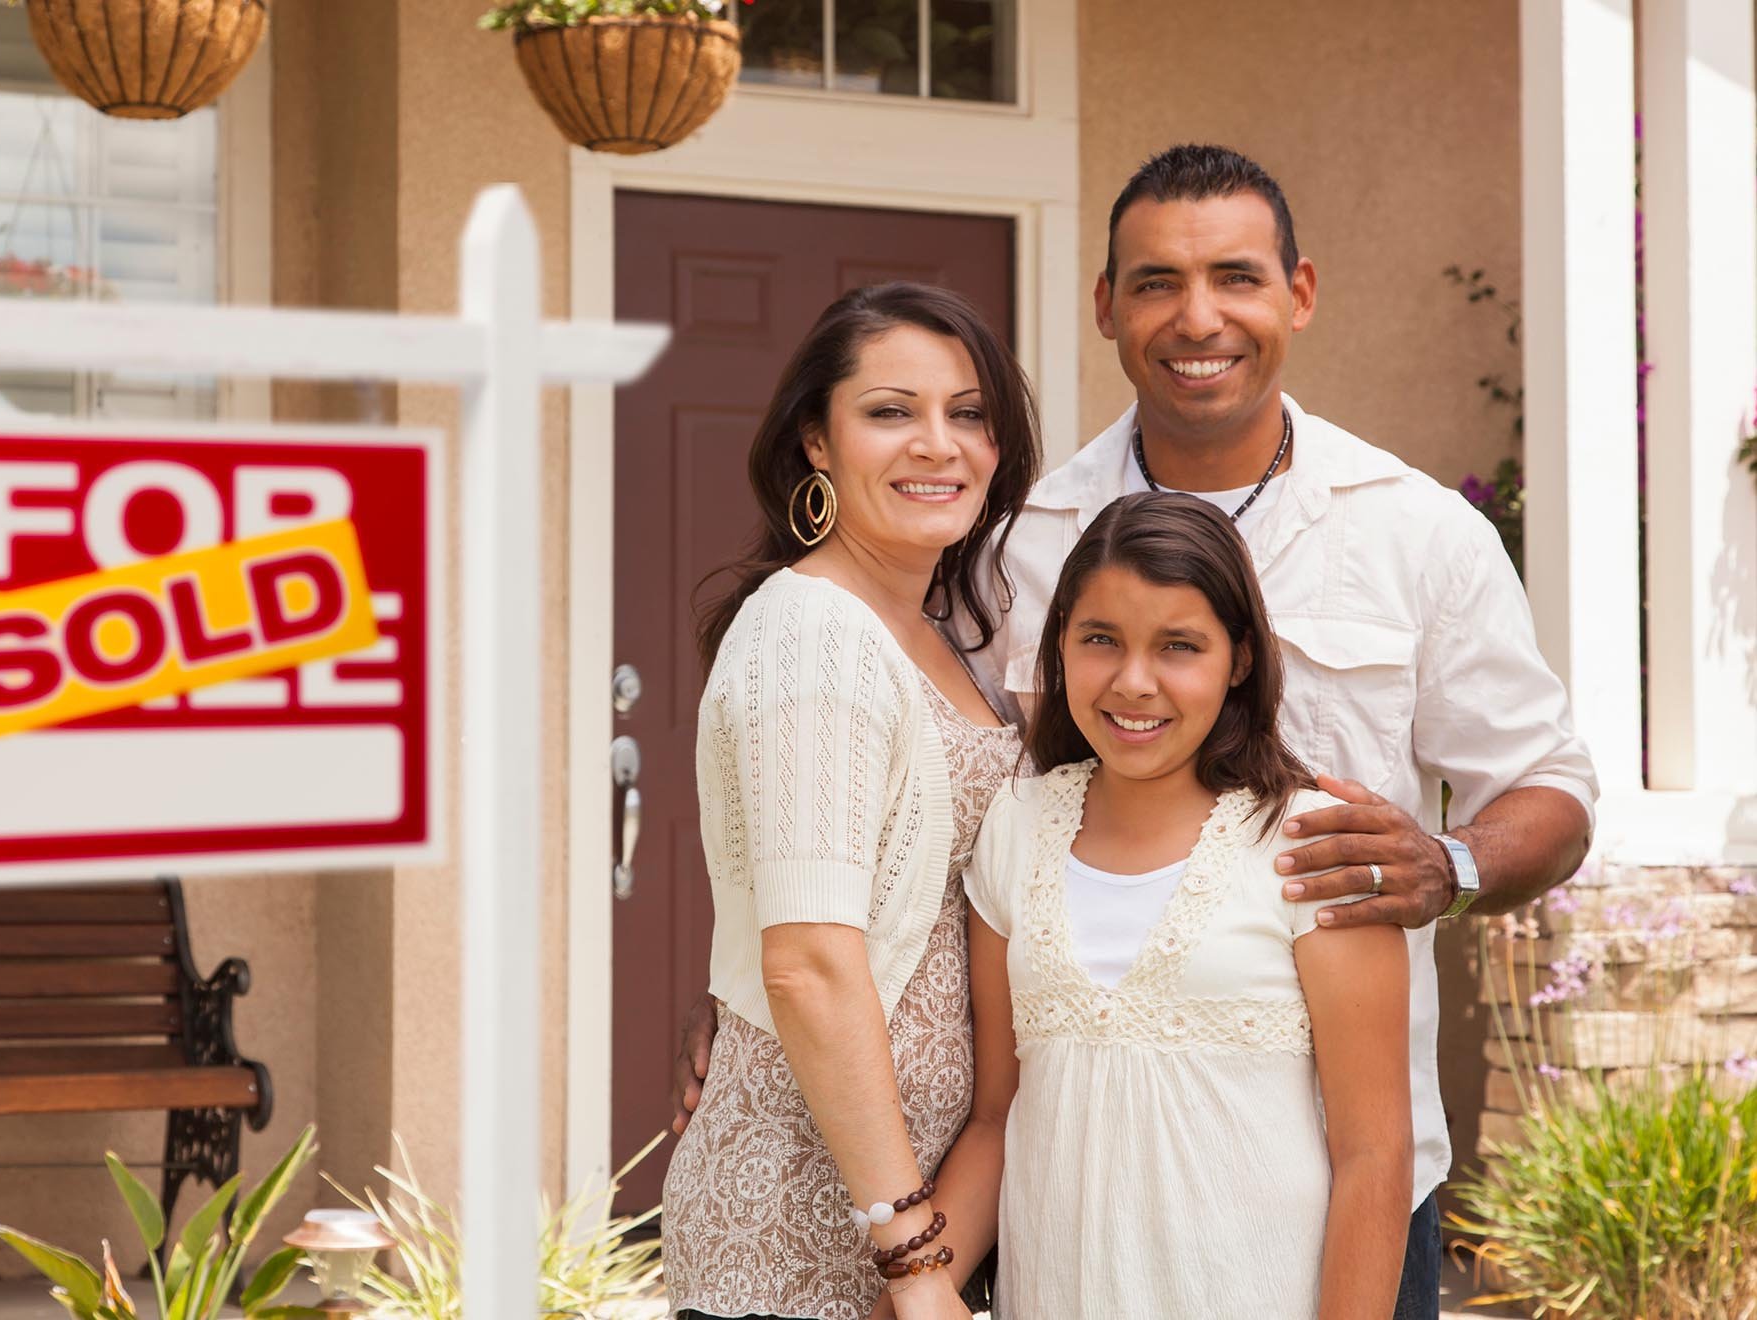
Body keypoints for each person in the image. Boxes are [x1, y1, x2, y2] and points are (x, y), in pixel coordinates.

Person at [674, 145, 1598, 1320]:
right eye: (1156, 281)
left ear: (1299, 294)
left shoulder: (1418, 533)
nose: (1197, 316)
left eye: (1237, 277)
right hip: (1055, 1194)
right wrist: (766, 974)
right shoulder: (1011, 541)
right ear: (1106, 306)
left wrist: (1450, 864)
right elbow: (904, 806)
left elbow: (1552, 788)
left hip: (1350, 1185)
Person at [660, 281, 1041, 1320]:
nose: (938, 444)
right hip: (801, 1231)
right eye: (890, 412)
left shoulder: (943, 640)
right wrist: (914, 1261)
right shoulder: (812, 633)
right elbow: (811, 962)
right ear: (816, 446)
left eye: (968, 414)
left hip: (917, 1218)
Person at [948, 491, 1411, 1315]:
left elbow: (1374, 1157)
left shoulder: (1312, 846)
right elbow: (994, 1117)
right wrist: (916, 1282)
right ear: (1059, 646)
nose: (1134, 683)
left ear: (1238, 659)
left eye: (1178, 647)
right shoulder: (1015, 828)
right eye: (1100, 640)